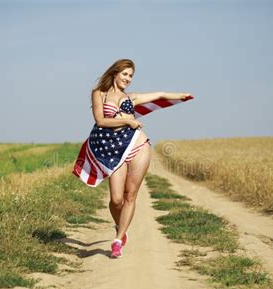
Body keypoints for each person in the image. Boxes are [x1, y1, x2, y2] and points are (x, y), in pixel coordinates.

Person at [72, 58, 192, 258]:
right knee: (116, 199)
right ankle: (120, 224)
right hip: (114, 150)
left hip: (138, 145)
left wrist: (181, 96)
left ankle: (118, 240)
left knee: (130, 195)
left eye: (131, 76)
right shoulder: (99, 94)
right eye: (125, 74)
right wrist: (128, 120)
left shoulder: (132, 98)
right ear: (115, 73)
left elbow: (160, 95)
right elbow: (100, 120)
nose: (128, 79)